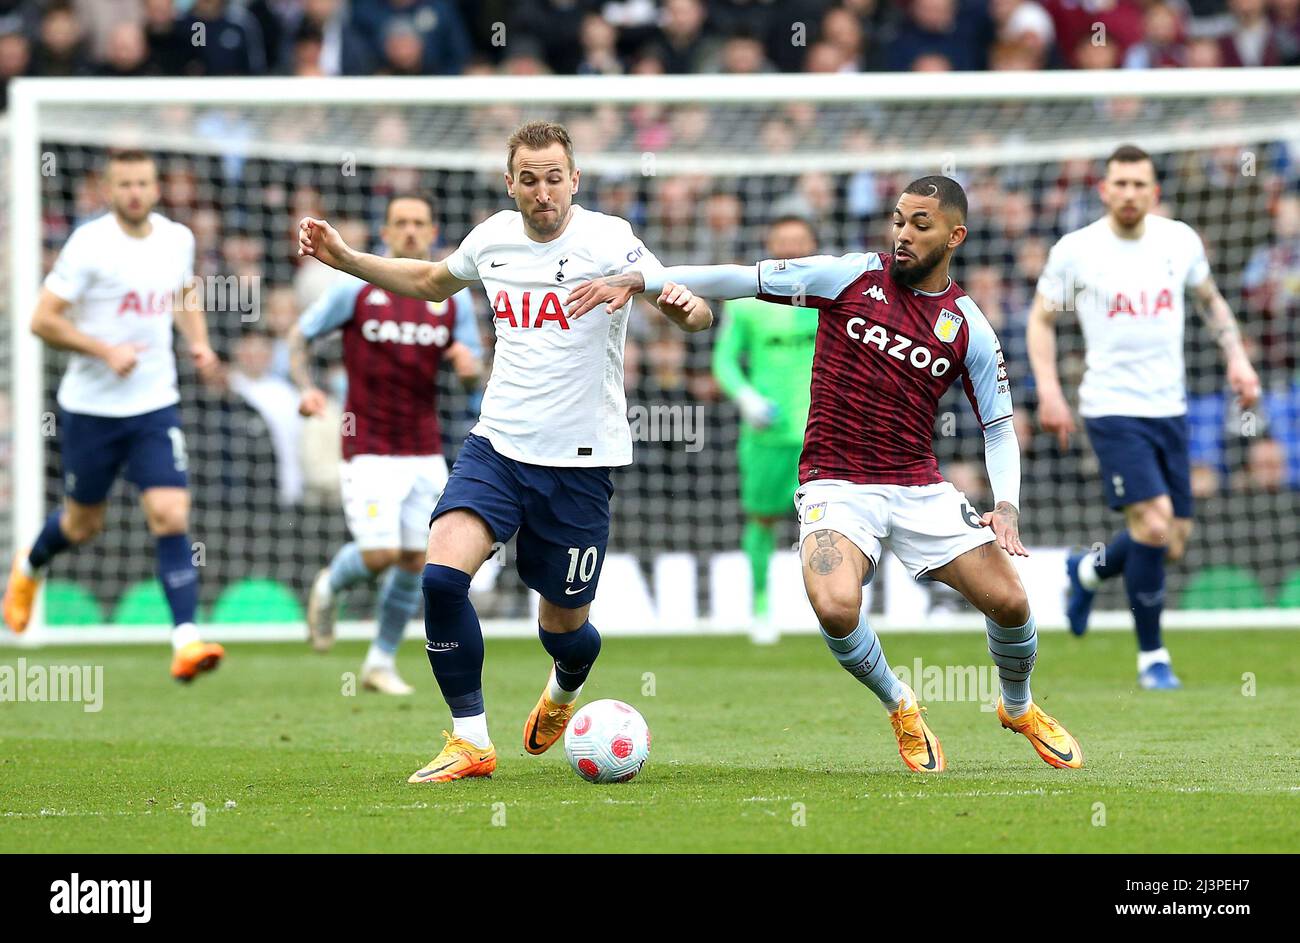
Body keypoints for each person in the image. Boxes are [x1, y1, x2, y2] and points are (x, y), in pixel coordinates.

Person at [569, 175, 1083, 773]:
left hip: (918, 486)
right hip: (835, 483)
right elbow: (746, 277)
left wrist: (1008, 506)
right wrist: (648, 279)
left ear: (955, 236)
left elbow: (998, 426)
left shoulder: (967, 325)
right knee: (836, 605)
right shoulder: (850, 276)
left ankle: (1018, 706)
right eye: (898, 220)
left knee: (1012, 603)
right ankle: (901, 704)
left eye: (921, 224)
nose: (903, 234)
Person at [295, 121, 712, 782]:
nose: (542, 192)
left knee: (562, 629)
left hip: (580, 461)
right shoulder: (491, 238)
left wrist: (676, 302)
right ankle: (470, 740)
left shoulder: (610, 240)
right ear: (510, 182)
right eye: (529, 178)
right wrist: (347, 259)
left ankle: (566, 682)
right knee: (440, 575)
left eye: (554, 178)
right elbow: (433, 280)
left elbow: (693, 314)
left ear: (574, 180)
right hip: (497, 445)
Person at [1027, 144, 1260, 690]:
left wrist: (1238, 358)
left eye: (1139, 184)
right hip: (1110, 408)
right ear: (1104, 190)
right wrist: (1051, 393)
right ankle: (1152, 657)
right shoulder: (1077, 250)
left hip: (1169, 408)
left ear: (1153, 192)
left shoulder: (1178, 240)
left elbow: (1210, 300)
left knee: (1171, 540)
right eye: (1120, 183)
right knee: (1152, 525)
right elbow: (1041, 322)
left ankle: (1086, 570)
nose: (1129, 193)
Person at [3, 149, 225, 683]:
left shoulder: (177, 238)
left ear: (156, 187)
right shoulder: (89, 245)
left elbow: (184, 294)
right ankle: (28, 568)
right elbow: (41, 320)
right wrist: (104, 350)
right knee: (83, 523)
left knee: (171, 514)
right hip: (91, 409)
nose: (134, 192)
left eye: (143, 182)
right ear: (109, 189)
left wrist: (198, 343)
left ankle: (185, 640)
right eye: (124, 183)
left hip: (154, 404)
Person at [291, 193, 482, 695]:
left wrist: (467, 368)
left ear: (434, 232)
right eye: (402, 223)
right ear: (387, 233)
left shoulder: (450, 300)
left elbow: (474, 370)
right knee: (379, 555)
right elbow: (298, 337)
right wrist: (305, 386)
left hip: (422, 446)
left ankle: (379, 661)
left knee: (418, 560)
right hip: (367, 442)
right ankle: (331, 582)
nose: (412, 232)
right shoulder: (354, 288)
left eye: (420, 223)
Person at [710, 215, 819, 627]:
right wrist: (746, 398)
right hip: (766, 433)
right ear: (771, 246)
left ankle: (830, 607)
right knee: (762, 518)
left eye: (799, 241)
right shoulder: (747, 303)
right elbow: (722, 360)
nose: (791, 248)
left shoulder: (832, 298)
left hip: (821, 431)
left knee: (831, 520)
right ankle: (760, 606)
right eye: (784, 241)